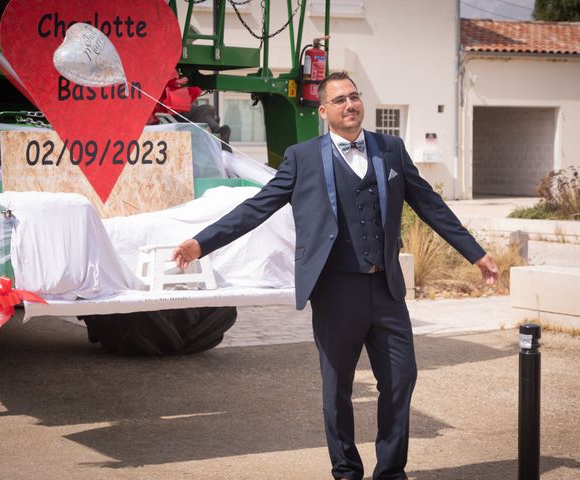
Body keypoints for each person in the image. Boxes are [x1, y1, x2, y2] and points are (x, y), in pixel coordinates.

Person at [172, 71, 499, 480]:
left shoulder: (390, 150)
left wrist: (476, 253)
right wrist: (202, 243)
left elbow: (431, 205)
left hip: (386, 289)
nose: (350, 105)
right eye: (340, 100)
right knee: (337, 388)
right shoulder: (302, 157)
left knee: (401, 379)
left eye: (355, 97)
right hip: (335, 290)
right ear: (324, 110)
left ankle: (391, 472)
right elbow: (257, 208)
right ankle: (346, 471)